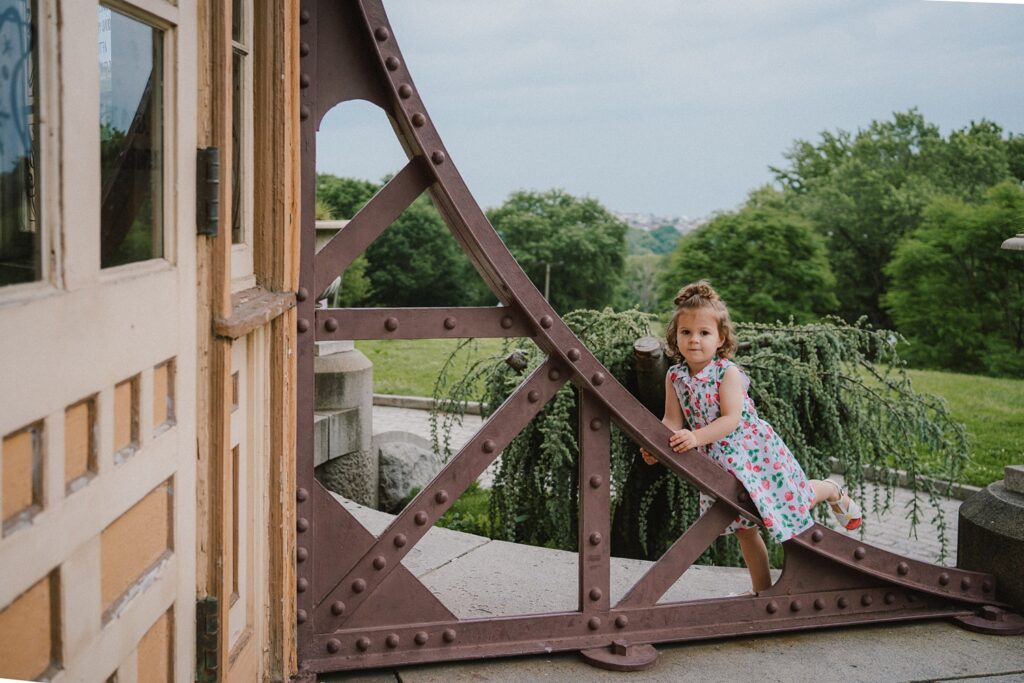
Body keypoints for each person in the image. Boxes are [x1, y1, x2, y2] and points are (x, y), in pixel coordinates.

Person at [640, 280, 861, 594]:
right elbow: (672, 422)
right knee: (744, 529)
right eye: (686, 332)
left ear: (721, 338)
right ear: (675, 336)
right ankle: (763, 592)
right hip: (717, 462)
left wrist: (695, 437)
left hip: (751, 452)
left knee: (791, 500)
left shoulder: (725, 372)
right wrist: (658, 447)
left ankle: (829, 489)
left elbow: (731, 419)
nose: (694, 340)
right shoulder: (674, 376)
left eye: (704, 333)